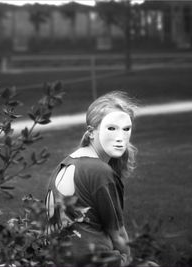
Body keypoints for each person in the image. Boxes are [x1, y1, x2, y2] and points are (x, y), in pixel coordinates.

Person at [45, 91, 138, 266]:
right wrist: (130, 261)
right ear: (91, 132)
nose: (120, 137)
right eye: (111, 128)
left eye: (126, 129)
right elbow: (117, 234)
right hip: (94, 260)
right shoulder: (99, 171)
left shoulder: (67, 162)